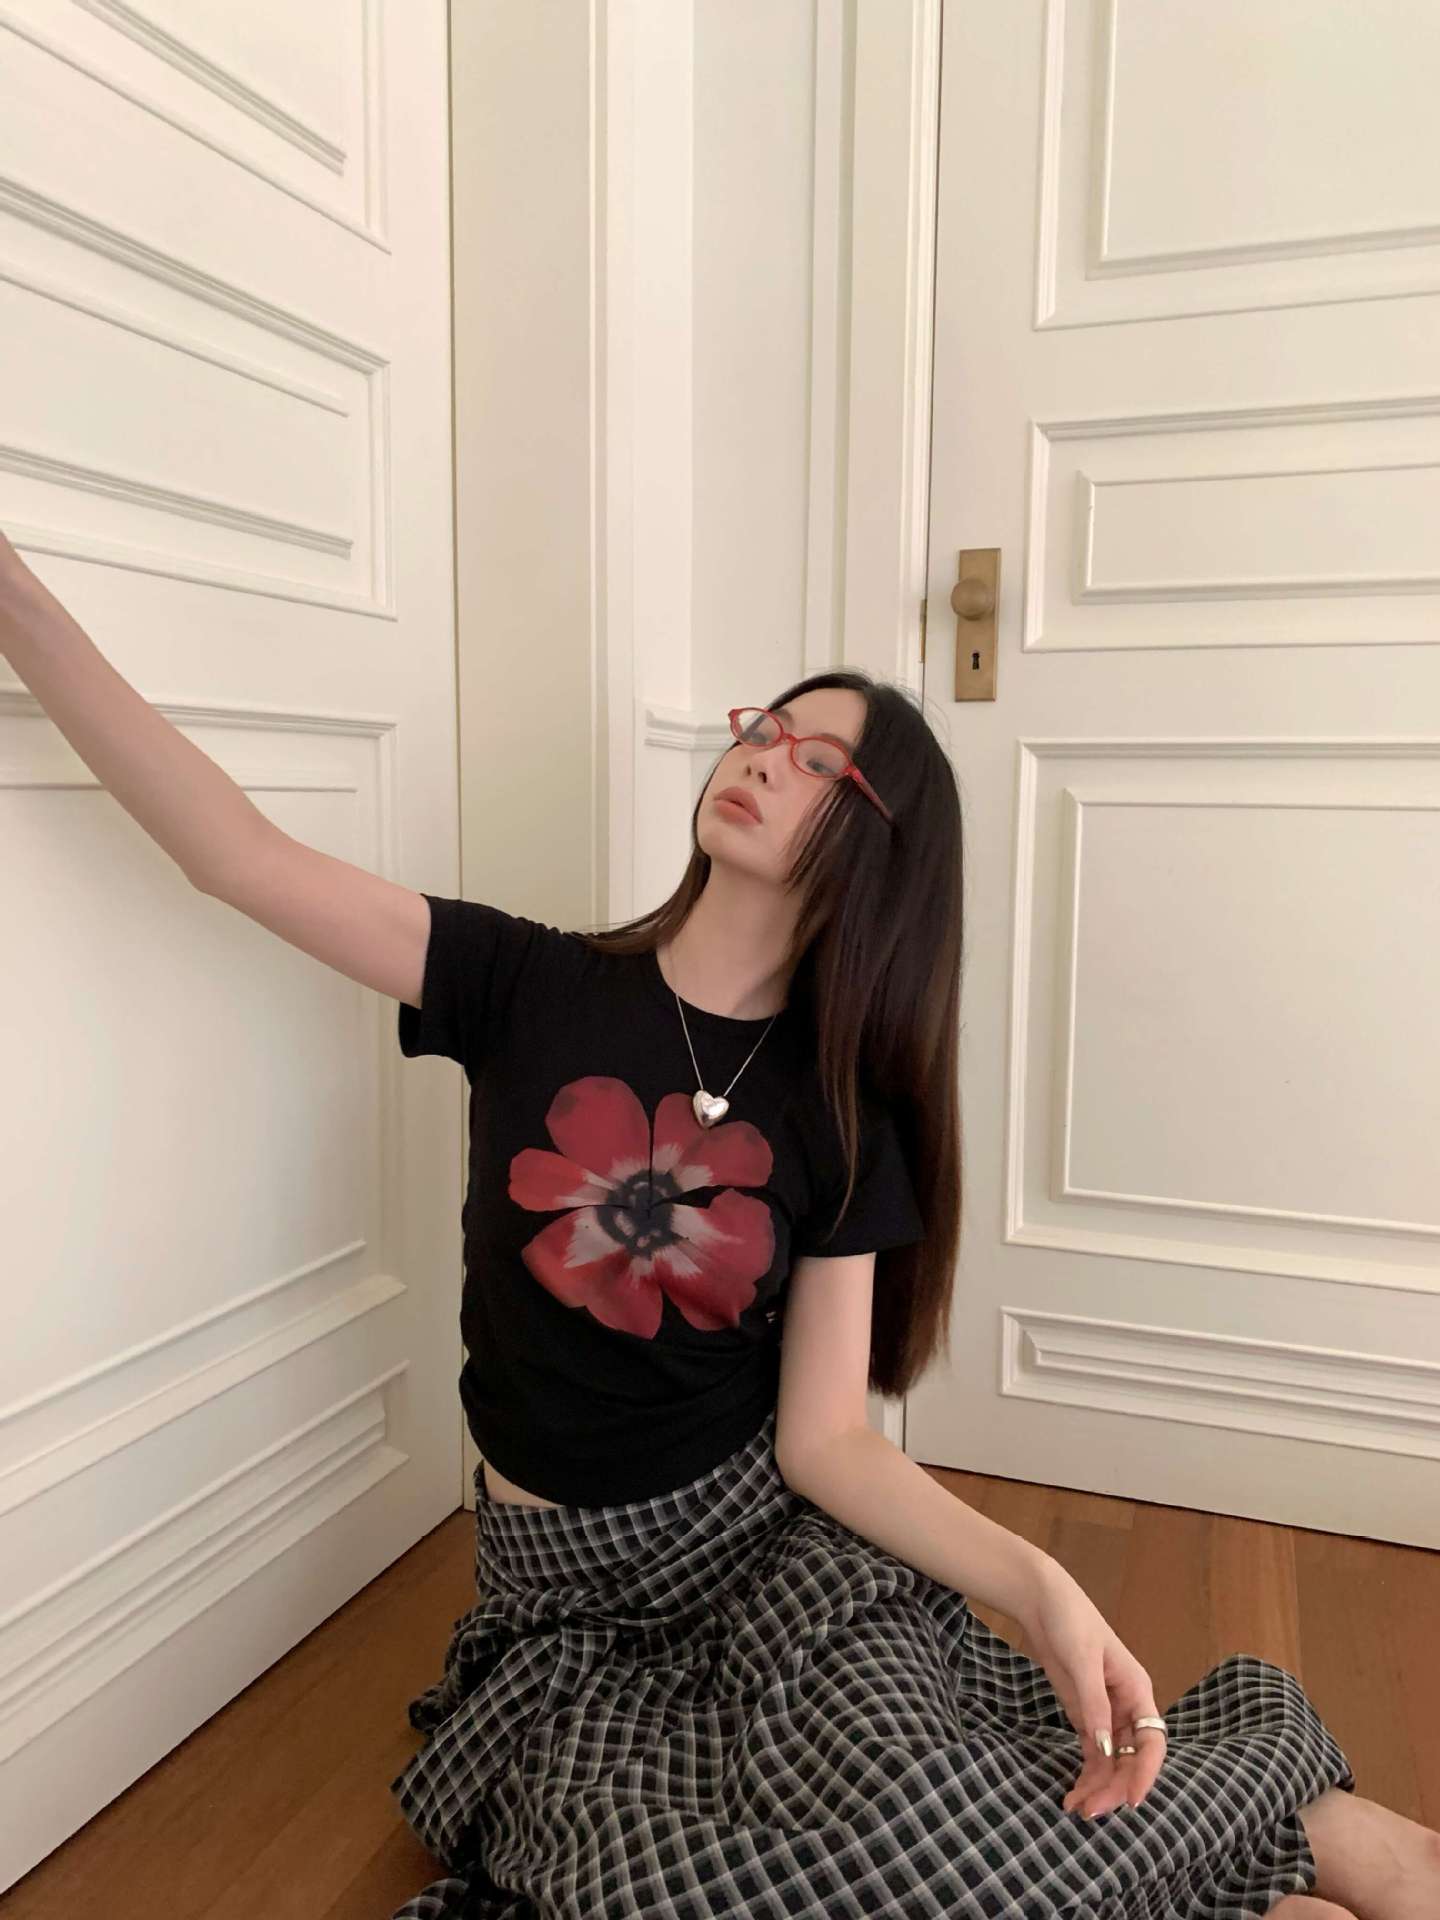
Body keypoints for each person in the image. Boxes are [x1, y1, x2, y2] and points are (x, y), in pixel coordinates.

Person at [4, 526, 1430, 1919]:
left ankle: (1295, 1830)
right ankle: (1276, 1855)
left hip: (767, 1552)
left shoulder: (844, 1113)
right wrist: (16, 597)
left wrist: (1040, 1583)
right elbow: (235, 856)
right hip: (568, 1614)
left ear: (882, 853)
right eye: (766, 729)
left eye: (821, 763)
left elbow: (826, 1442)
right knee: (712, 1881)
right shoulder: (524, 983)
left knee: (925, 1811)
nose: (763, 756)